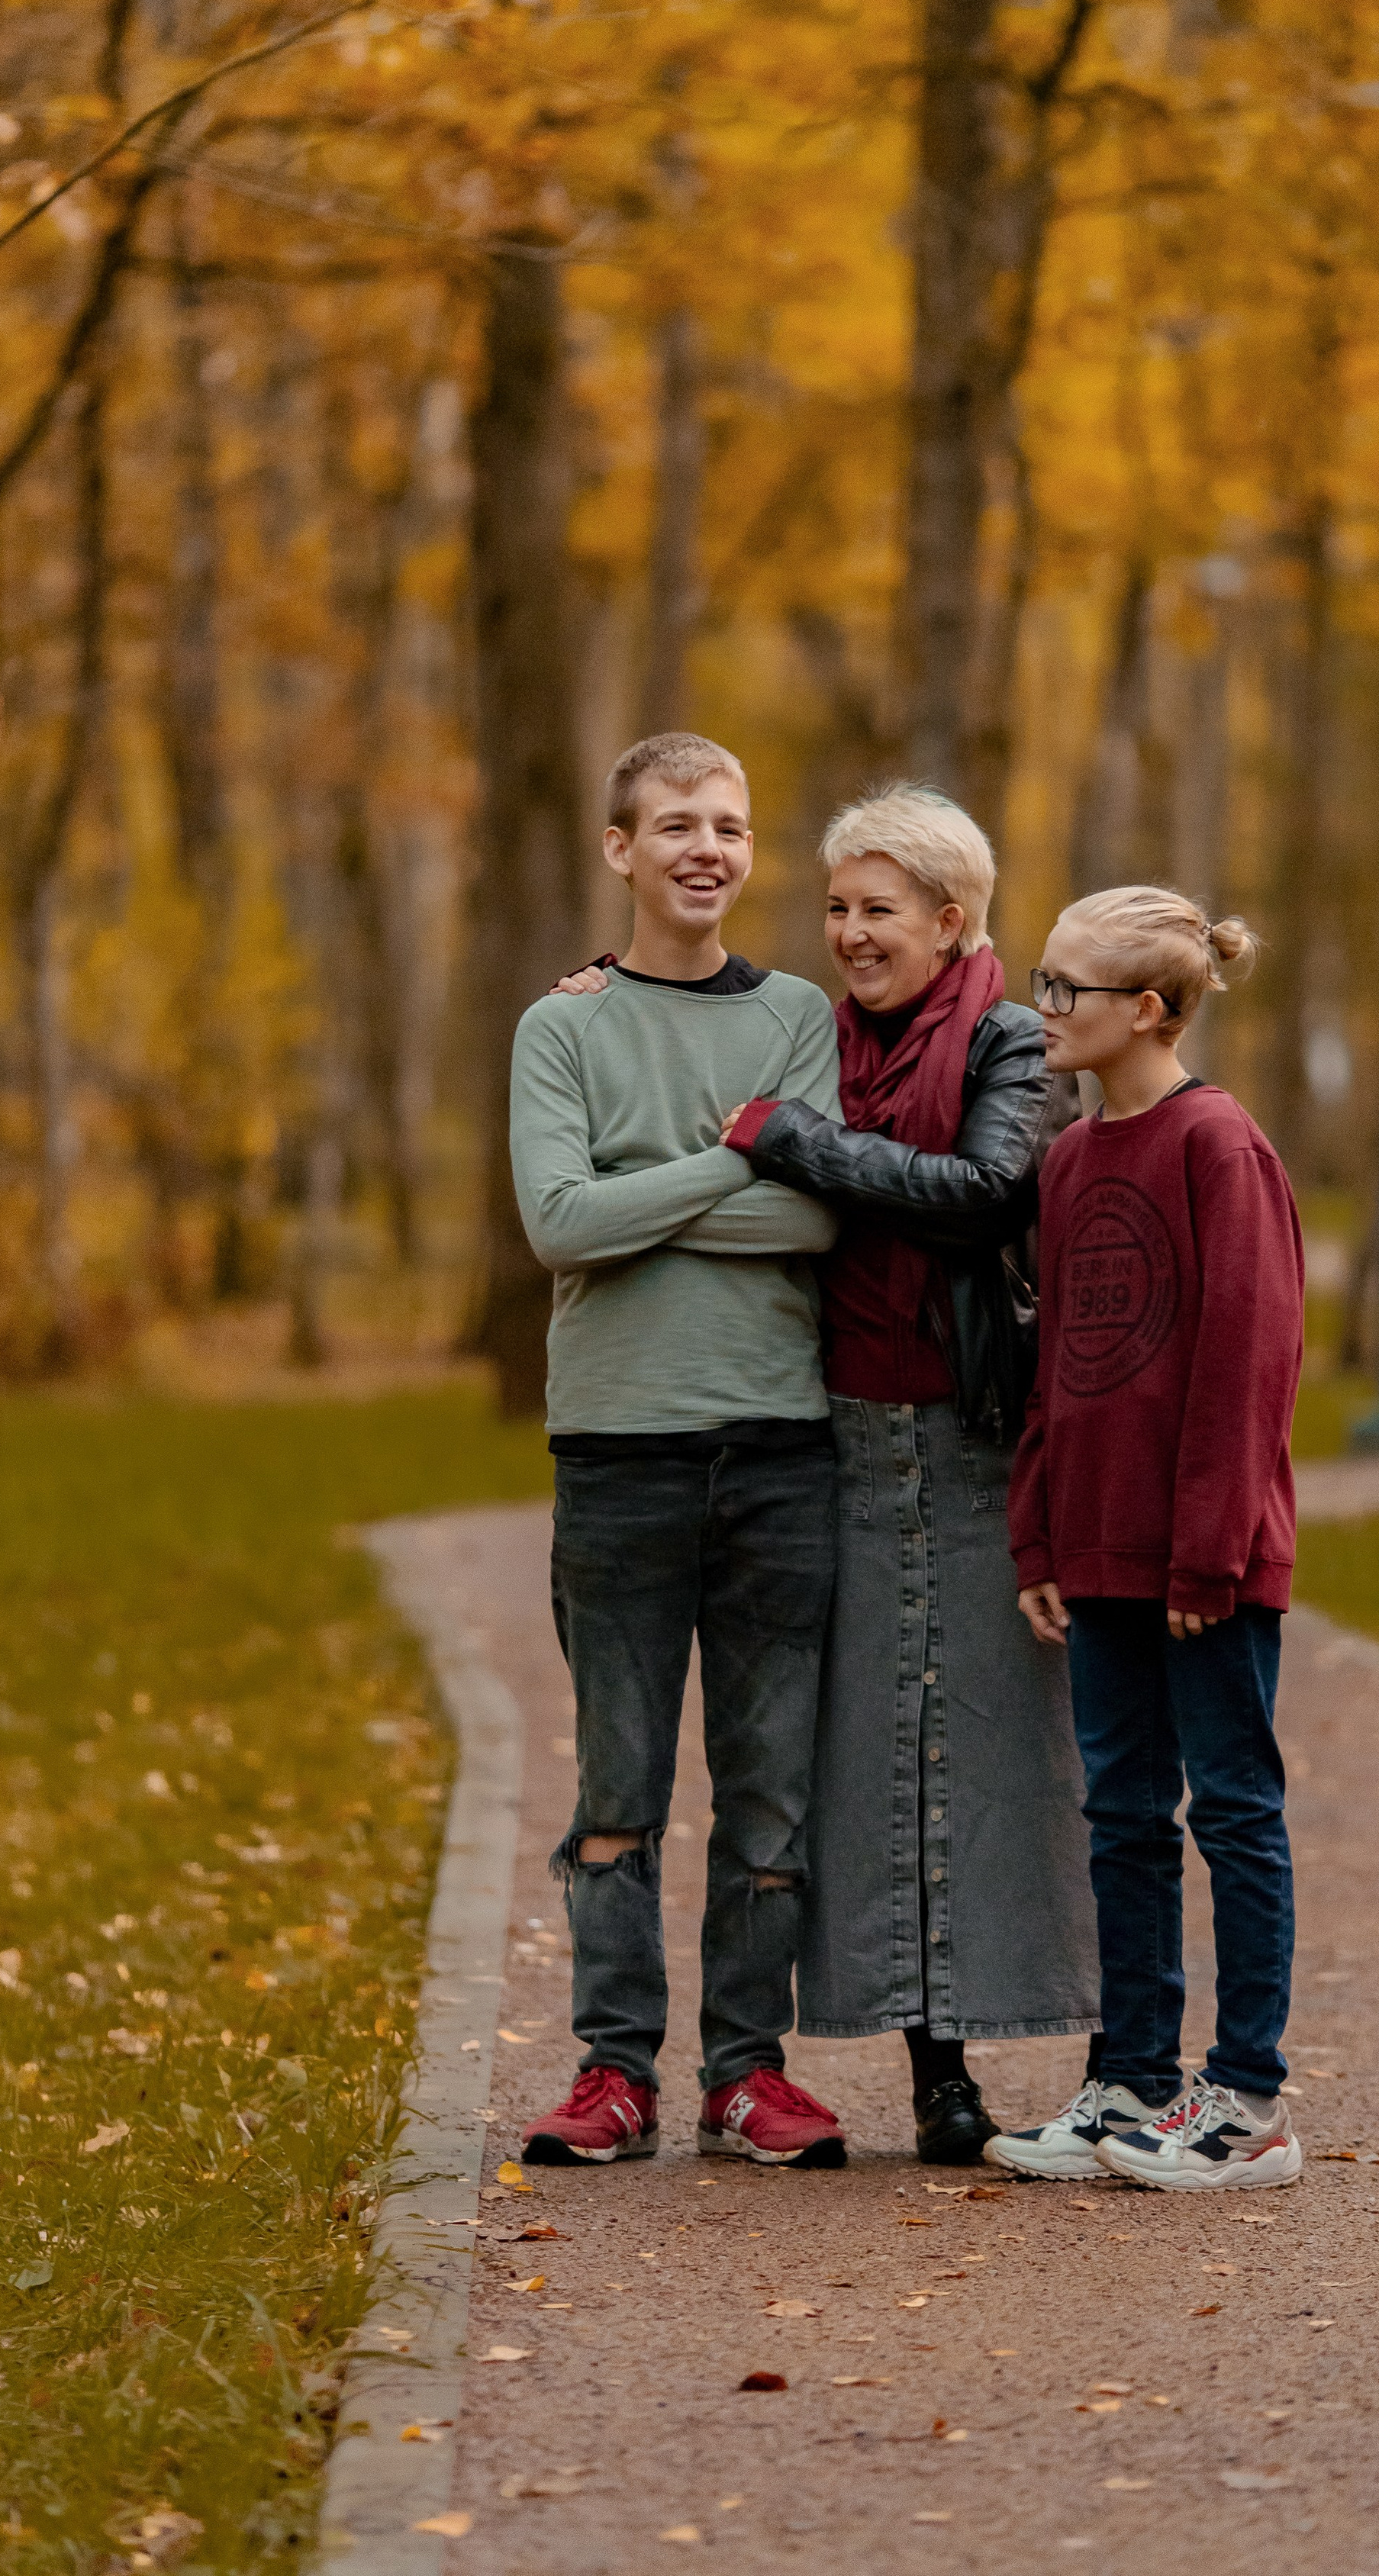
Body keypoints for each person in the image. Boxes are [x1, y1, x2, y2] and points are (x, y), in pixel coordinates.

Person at [717, 787, 1098, 2163]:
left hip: (979, 1436)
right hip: (844, 1434)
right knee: (878, 1755)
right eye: (836, 907)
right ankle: (936, 2076)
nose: (851, 932)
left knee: (1007, 1751)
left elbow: (985, 1192)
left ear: (951, 919)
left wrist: (796, 1142)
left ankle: (1092, 2062)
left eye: (879, 908)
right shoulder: (810, 1035)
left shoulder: (1016, 1040)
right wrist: (599, 975)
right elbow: (688, 1007)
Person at [510, 731, 853, 2172]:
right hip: (618, 1454)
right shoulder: (561, 1028)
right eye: (676, 825)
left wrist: (638, 1191)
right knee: (618, 1791)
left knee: (770, 1793)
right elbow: (559, 1224)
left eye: (730, 825)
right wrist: (736, 1157)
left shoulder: (797, 1015)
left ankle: (745, 2073)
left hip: (780, 1452)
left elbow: (819, 1213)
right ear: (621, 849)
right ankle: (613, 2070)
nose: (707, 848)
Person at [983, 884, 1306, 2193]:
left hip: (1202, 1566)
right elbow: (1059, 1364)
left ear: (1152, 1010)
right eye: (1042, 981)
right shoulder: (1069, 1160)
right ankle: (1132, 2077)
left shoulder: (1219, 1146)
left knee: (1231, 1809)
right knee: (1120, 1815)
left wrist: (1209, 1549)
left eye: (1068, 989)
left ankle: (1249, 2099)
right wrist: (1040, 1533)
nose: (1043, 1009)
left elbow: (1250, 1360)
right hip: (1103, 1551)